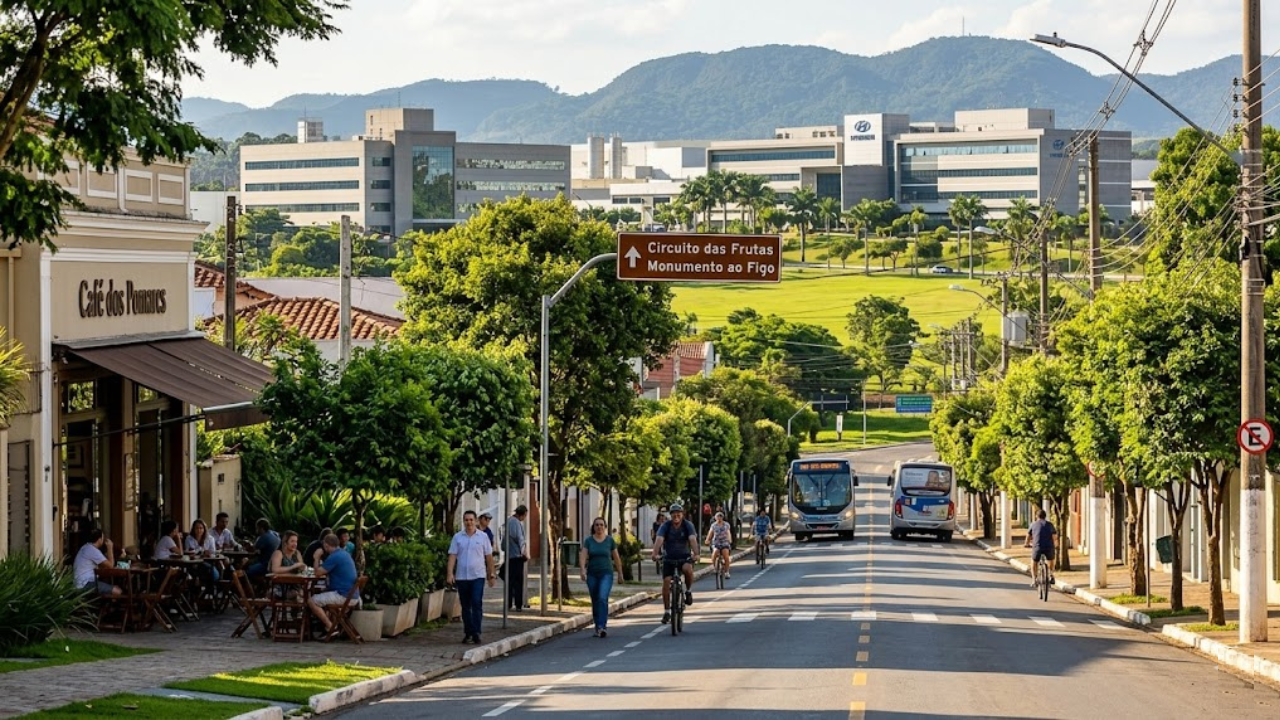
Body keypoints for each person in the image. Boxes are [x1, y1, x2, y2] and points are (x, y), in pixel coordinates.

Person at [446, 510, 495, 645]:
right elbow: (452, 556)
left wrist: (491, 574)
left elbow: (489, 557)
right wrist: (450, 573)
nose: (469, 522)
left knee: (476, 602)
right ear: (463, 521)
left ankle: (476, 632)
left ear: (476, 521)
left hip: (478, 576)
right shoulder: (458, 537)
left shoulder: (483, 537)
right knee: (466, 606)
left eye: (471, 520)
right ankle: (469, 632)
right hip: (462, 577)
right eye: (466, 520)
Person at [651, 503, 698, 625]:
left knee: (688, 569)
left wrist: (696, 554)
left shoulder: (688, 525)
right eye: (673, 514)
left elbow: (692, 539)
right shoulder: (665, 526)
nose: (676, 516)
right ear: (670, 515)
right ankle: (667, 611)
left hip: (684, 556)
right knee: (666, 581)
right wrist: (655, 553)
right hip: (669, 557)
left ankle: (688, 591)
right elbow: (659, 539)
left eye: (678, 513)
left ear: (682, 514)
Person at [309, 533, 359, 640]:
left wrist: (316, 558)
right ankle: (329, 629)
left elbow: (317, 573)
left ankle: (331, 626)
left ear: (326, 545)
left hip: (343, 596)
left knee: (311, 601)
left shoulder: (334, 556)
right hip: (352, 595)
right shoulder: (344, 554)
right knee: (324, 596)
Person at [580, 516, 622, 638]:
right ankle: (597, 626)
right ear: (593, 527)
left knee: (602, 597)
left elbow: (616, 558)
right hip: (592, 574)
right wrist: (582, 570)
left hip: (606, 573)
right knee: (595, 600)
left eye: (601, 525)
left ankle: (602, 626)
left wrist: (620, 573)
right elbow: (583, 556)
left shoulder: (610, 541)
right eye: (597, 525)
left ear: (605, 527)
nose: (599, 527)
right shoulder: (588, 541)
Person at [73, 529, 119, 596]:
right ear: (100, 539)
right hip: (85, 584)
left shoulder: (85, 547)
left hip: (80, 583)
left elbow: (102, 566)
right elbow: (111, 565)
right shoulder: (93, 550)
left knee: (110, 588)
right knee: (117, 591)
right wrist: (110, 547)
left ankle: (107, 605)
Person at [1024, 509, 1058, 587]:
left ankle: (1034, 579)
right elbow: (1054, 537)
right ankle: (1051, 575)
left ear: (1036, 516)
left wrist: (1027, 544)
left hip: (1037, 547)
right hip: (1049, 546)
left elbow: (1028, 536)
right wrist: (1056, 545)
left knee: (1033, 561)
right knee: (1051, 560)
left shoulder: (1033, 524)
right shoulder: (1050, 525)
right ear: (1045, 516)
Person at [504, 505, 529, 610]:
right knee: (518, 582)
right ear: (522, 514)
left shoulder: (509, 521)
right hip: (516, 556)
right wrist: (524, 552)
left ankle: (508, 603)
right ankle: (518, 604)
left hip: (509, 555)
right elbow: (520, 539)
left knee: (510, 581)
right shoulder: (516, 523)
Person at [184, 518, 221, 582]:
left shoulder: (210, 538)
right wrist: (201, 553)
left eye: (201, 528)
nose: (199, 530)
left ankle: (206, 588)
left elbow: (213, 553)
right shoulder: (189, 538)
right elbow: (188, 552)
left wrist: (205, 554)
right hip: (193, 563)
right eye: (197, 528)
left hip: (207, 562)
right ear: (193, 529)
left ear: (204, 529)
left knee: (209, 570)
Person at [704, 511, 733, 579]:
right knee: (715, 551)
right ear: (715, 518)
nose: (719, 518)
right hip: (716, 542)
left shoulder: (726, 525)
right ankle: (714, 567)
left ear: (722, 518)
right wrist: (707, 540)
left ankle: (727, 572)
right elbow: (710, 533)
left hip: (724, 542)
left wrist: (729, 540)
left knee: (725, 554)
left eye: (720, 516)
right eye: (718, 517)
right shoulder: (713, 525)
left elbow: (728, 533)